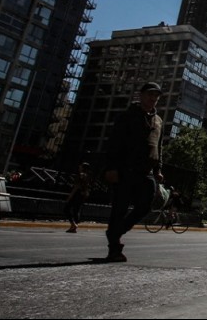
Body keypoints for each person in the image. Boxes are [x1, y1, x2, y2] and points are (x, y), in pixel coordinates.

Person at [103, 82, 164, 262]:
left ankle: (115, 232)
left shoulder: (158, 120)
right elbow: (114, 142)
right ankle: (114, 248)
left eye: (156, 96)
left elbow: (159, 147)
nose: (153, 99)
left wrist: (158, 169)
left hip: (146, 171)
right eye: (150, 94)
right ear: (141, 95)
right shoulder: (127, 116)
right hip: (125, 169)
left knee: (145, 205)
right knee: (119, 208)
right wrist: (111, 167)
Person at [63, 162, 91, 233]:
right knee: (76, 211)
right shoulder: (87, 176)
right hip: (82, 195)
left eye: (81, 166)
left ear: (83, 168)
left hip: (77, 194)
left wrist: (70, 196)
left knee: (66, 208)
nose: (79, 167)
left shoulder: (80, 175)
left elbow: (76, 187)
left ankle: (73, 224)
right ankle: (74, 227)